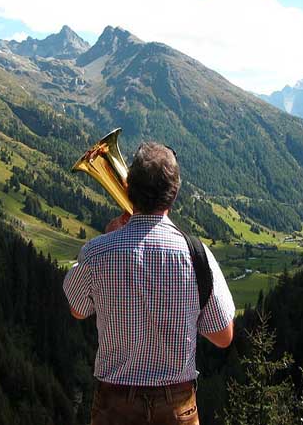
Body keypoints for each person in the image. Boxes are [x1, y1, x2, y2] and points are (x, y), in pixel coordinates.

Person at [63, 141, 236, 425]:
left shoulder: (96, 252)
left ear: (129, 188)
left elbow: (77, 309)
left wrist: (107, 239)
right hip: (176, 407)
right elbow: (223, 336)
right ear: (174, 193)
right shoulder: (197, 254)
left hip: (114, 406)